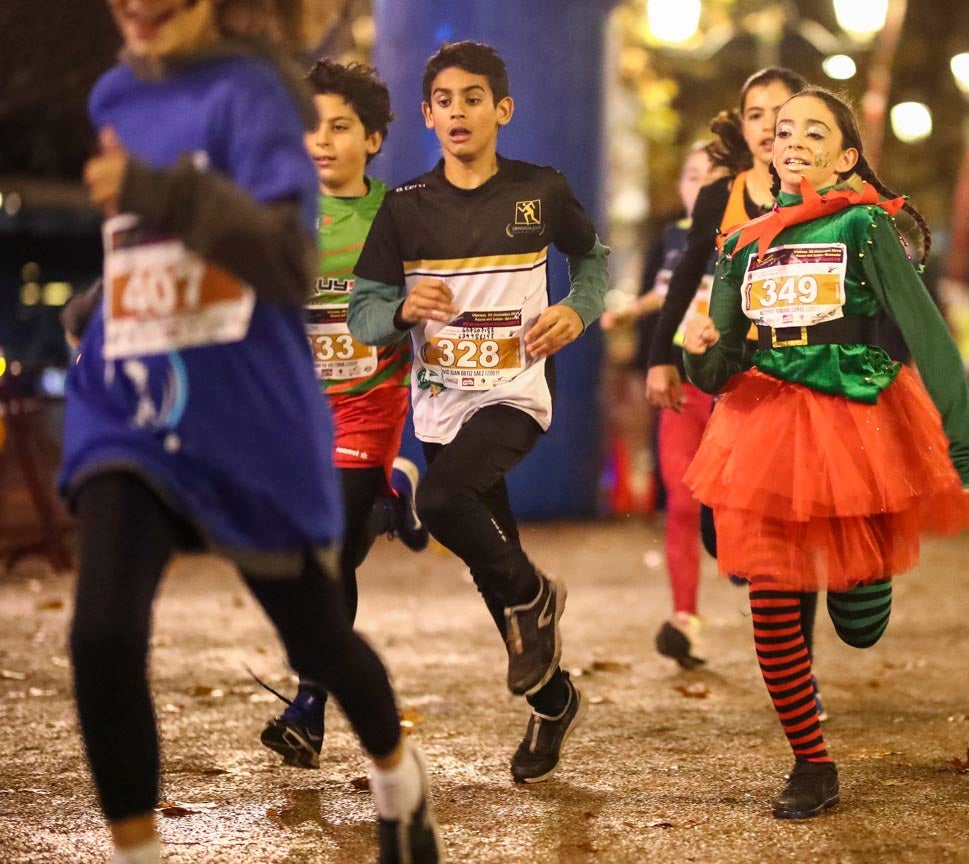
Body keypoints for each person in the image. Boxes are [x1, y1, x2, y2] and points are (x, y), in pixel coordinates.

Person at [61, 2, 441, 862]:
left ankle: (399, 781)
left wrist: (162, 192)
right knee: (102, 634)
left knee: (315, 636)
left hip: (245, 412)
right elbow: (143, 242)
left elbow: (280, 258)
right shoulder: (115, 92)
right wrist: (100, 301)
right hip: (137, 407)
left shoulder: (258, 91)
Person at [682, 88, 969, 820]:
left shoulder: (864, 227)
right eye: (782, 130)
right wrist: (697, 354)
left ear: (845, 157)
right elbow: (723, 362)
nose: (791, 140)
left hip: (856, 422)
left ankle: (869, 572)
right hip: (763, 427)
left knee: (859, 626)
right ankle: (810, 764)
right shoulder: (739, 245)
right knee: (770, 599)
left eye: (813, 131)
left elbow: (930, 338)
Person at [348, 41, 610, 784]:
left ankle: (537, 593)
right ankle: (552, 698)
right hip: (441, 407)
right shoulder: (404, 209)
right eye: (443, 101)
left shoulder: (541, 191)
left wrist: (576, 309)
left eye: (472, 98)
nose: (457, 111)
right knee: (487, 557)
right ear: (427, 117)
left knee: (442, 501)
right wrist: (401, 306)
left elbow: (596, 260)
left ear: (502, 110)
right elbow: (364, 316)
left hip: (514, 395)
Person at [258, 58, 431, 770]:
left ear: (375, 138)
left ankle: (310, 705)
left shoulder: (400, 216)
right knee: (319, 552)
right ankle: (391, 499)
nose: (321, 140)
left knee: (327, 552)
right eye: (310, 126)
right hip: (297, 416)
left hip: (369, 406)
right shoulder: (277, 211)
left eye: (340, 127)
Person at [644, 68, 824, 681]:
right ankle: (754, 575)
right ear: (744, 126)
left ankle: (801, 673)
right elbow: (685, 274)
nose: (769, 126)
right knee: (722, 533)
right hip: (734, 386)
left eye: (782, 113)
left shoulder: (829, 193)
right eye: (755, 113)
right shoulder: (722, 196)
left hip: (805, 384)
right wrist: (660, 357)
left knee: (794, 537)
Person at [602, 142, 724, 668]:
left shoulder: (746, 232)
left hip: (732, 392)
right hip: (679, 390)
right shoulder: (671, 238)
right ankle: (685, 620)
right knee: (680, 503)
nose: (701, 186)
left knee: (735, 514)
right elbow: (665, 293)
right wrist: (629, 314)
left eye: (714, 176)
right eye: (692, 175)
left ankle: (779, 625)